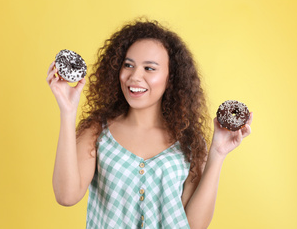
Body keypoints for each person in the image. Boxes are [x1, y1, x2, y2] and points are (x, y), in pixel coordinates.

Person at [46, 19, 253, 229]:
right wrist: (68, 111)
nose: (135, 76)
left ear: (170, 77)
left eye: (149, 68)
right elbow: (66, 196)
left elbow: (194, 225)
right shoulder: (96, 131)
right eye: (128, 65)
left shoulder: (189, 142)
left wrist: (217, 153)